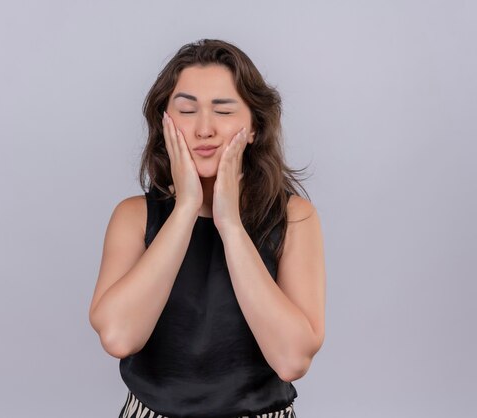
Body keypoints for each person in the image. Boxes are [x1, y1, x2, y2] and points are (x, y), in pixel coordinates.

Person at [89, 38, 326, 418]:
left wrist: (230, 224)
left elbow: (292, 359)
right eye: (186, 110)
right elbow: (118, 336)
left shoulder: (295, 218)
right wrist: (185, 208)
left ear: (253, 128)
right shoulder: (133, 217)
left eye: (224, 110)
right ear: (165, 124)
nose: (204, 129)